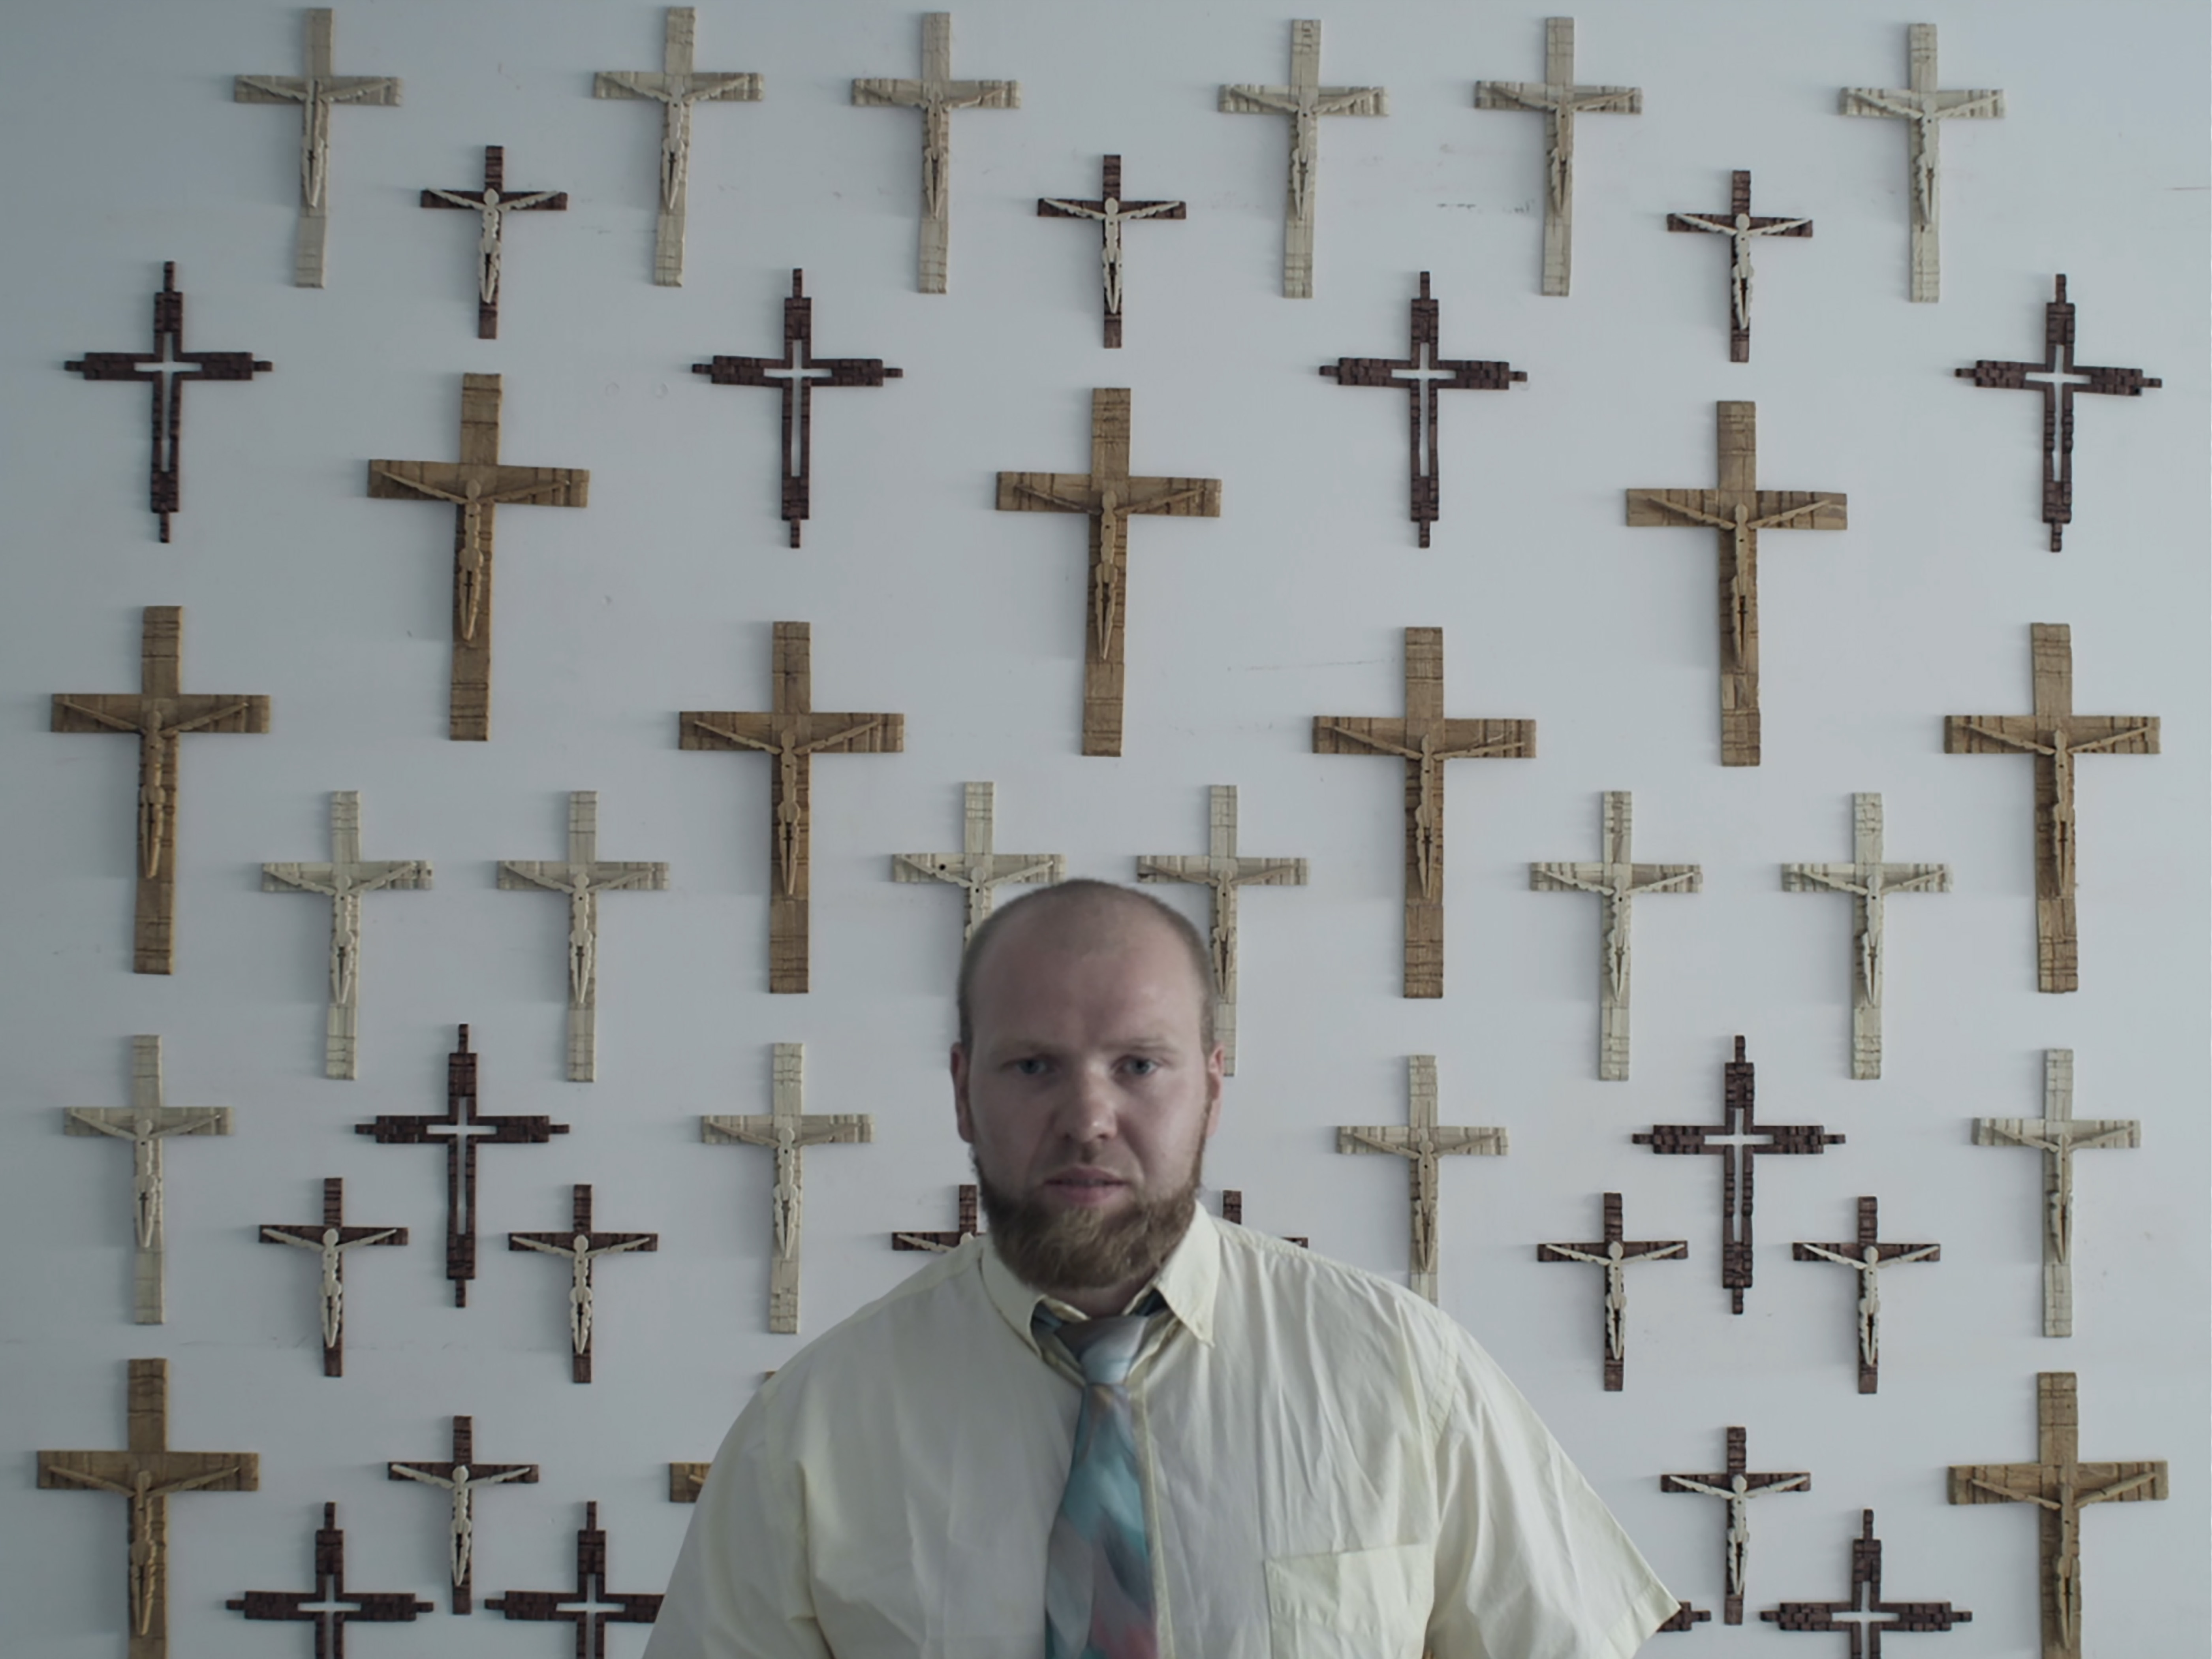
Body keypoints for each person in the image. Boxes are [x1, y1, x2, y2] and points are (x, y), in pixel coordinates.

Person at [648, 880, 1678, 1658]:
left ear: (1212, 1090)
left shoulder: (1410, 1376)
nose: (1088, 1118)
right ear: (963, 1093)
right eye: (1033, 1066)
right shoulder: (812, 1429)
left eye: (1138, 1065)